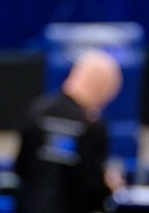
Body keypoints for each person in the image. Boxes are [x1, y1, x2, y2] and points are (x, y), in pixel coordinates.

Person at [14, 50, 125, 213]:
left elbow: (20, 168)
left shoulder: (37, 110)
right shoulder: (92, 126)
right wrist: (109, 186)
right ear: (101, 88)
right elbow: (93, 190)